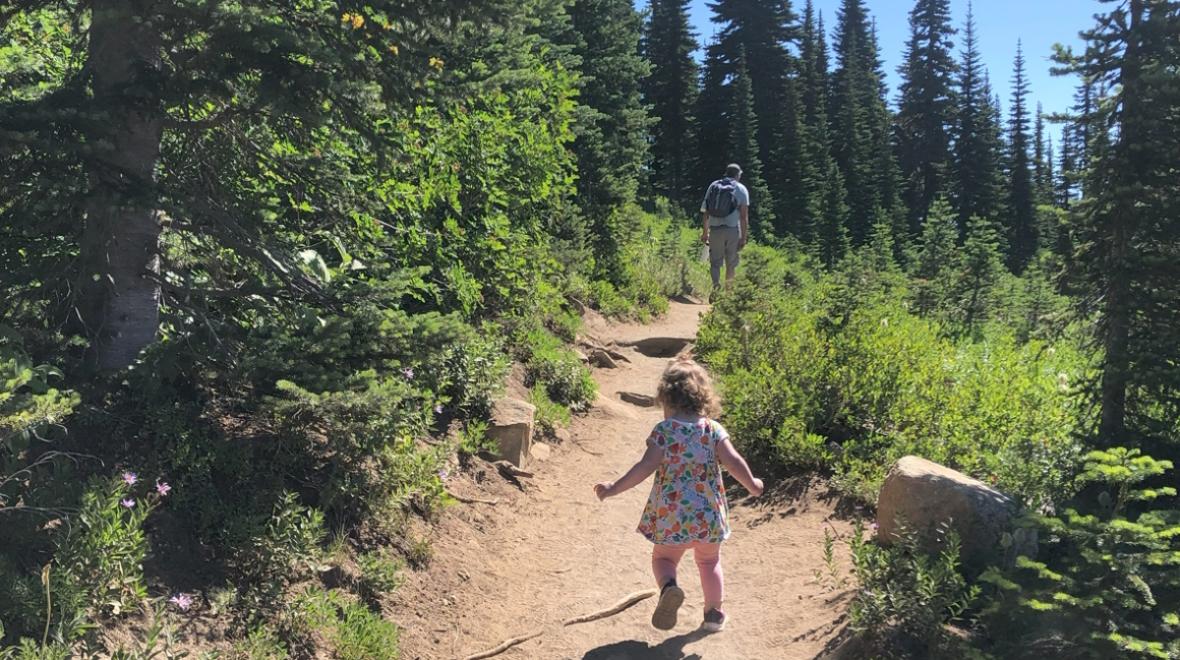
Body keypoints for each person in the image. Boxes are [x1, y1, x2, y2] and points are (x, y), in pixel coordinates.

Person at [592, 358, 764, 633]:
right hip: (708, 517)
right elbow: (733, 461)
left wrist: (614, 488)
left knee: (664, 559)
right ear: (703, 397)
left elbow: (645, 467)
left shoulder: (664, 432)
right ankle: (713, 615)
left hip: (673, 517)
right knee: (709, 562)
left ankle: (669, 588)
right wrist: (753, 485)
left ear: (666, 398)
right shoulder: (713, 429)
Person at [700, 164, 750, 288]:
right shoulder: (741, 189)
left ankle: (716, 286)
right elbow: (743, 217)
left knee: (715, 263)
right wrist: (743, 238)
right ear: (738, 175)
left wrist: (705, 232)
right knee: (731, 263)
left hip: (715, 230)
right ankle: (728, 294)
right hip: (732, 230)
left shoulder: (714, 186)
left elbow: (706, 212)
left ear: (726, 173)